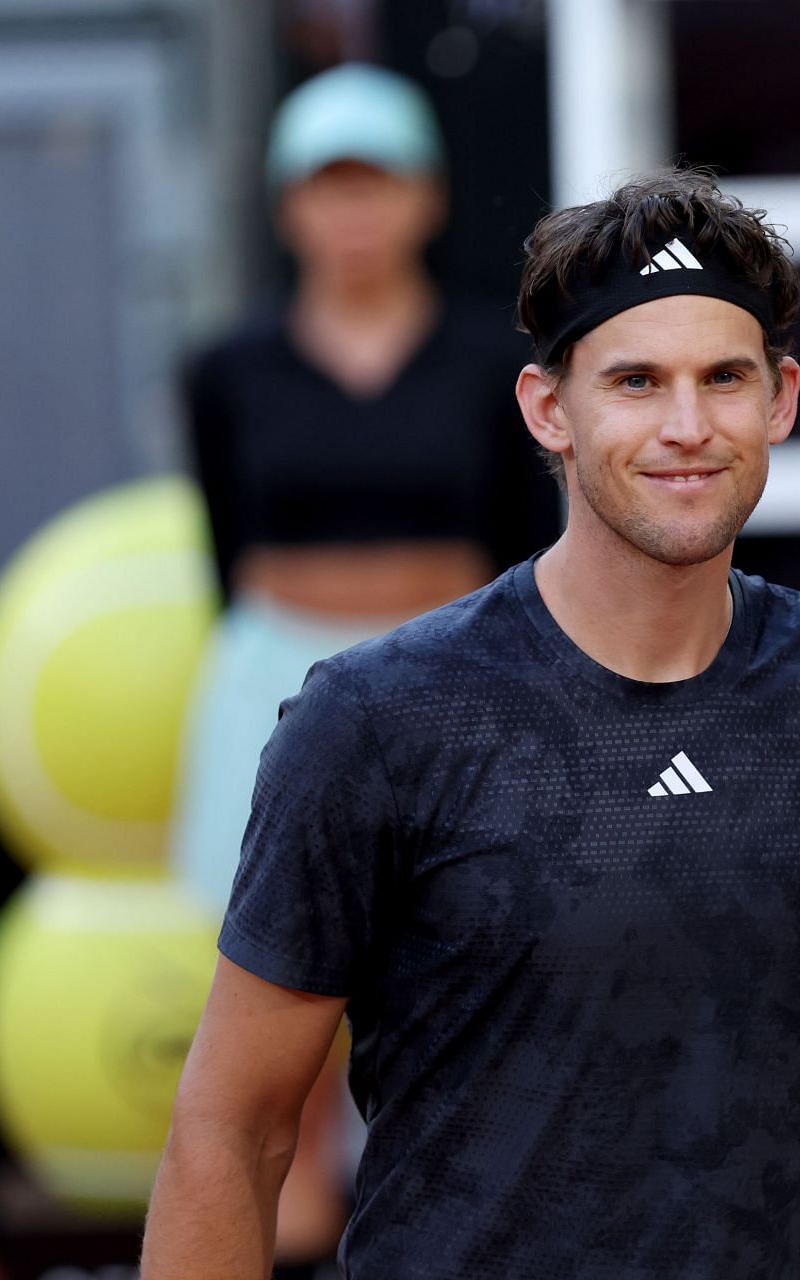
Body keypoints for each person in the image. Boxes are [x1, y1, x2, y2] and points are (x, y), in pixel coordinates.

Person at [141, 168, 800, 1280]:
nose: (687, 426)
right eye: (635, 381)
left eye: (723, 378)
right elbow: (231, 1129)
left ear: (781, 398)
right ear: (551, 408)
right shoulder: (377, 718)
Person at [172, 62, 563, 1267]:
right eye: (326, 186)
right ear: (286, 206)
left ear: (427, 198)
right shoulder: (226, 369)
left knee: (467, 993)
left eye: (376, 183)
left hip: (456, 694)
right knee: (279, 1032)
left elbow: (522, 548)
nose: (353, 214)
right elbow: (227, 549)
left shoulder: (489, 364)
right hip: (273, 692)